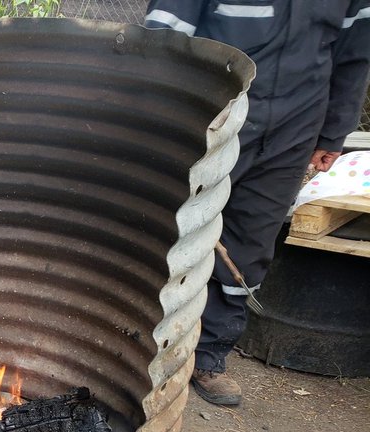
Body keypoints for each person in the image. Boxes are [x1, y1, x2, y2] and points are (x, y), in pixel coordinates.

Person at [144, 1, 370, 406]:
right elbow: (164, 35)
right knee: (169, 228)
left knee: (251, 240)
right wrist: (159, 114)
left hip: (296, 123)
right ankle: (139, 346)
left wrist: (333, 131)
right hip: (211, 111)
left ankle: (208, 355)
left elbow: (355, 50)